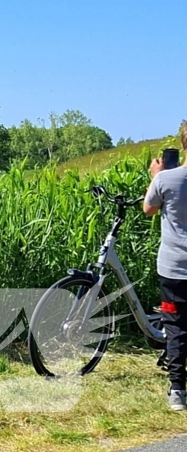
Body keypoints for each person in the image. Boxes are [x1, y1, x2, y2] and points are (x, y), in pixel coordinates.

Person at [143, 121, 187, 412]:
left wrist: (157, 175)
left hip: (174, 268)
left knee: (175, 326)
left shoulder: (167, 179)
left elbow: (148, 208)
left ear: (183, 145)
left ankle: (177, 390)